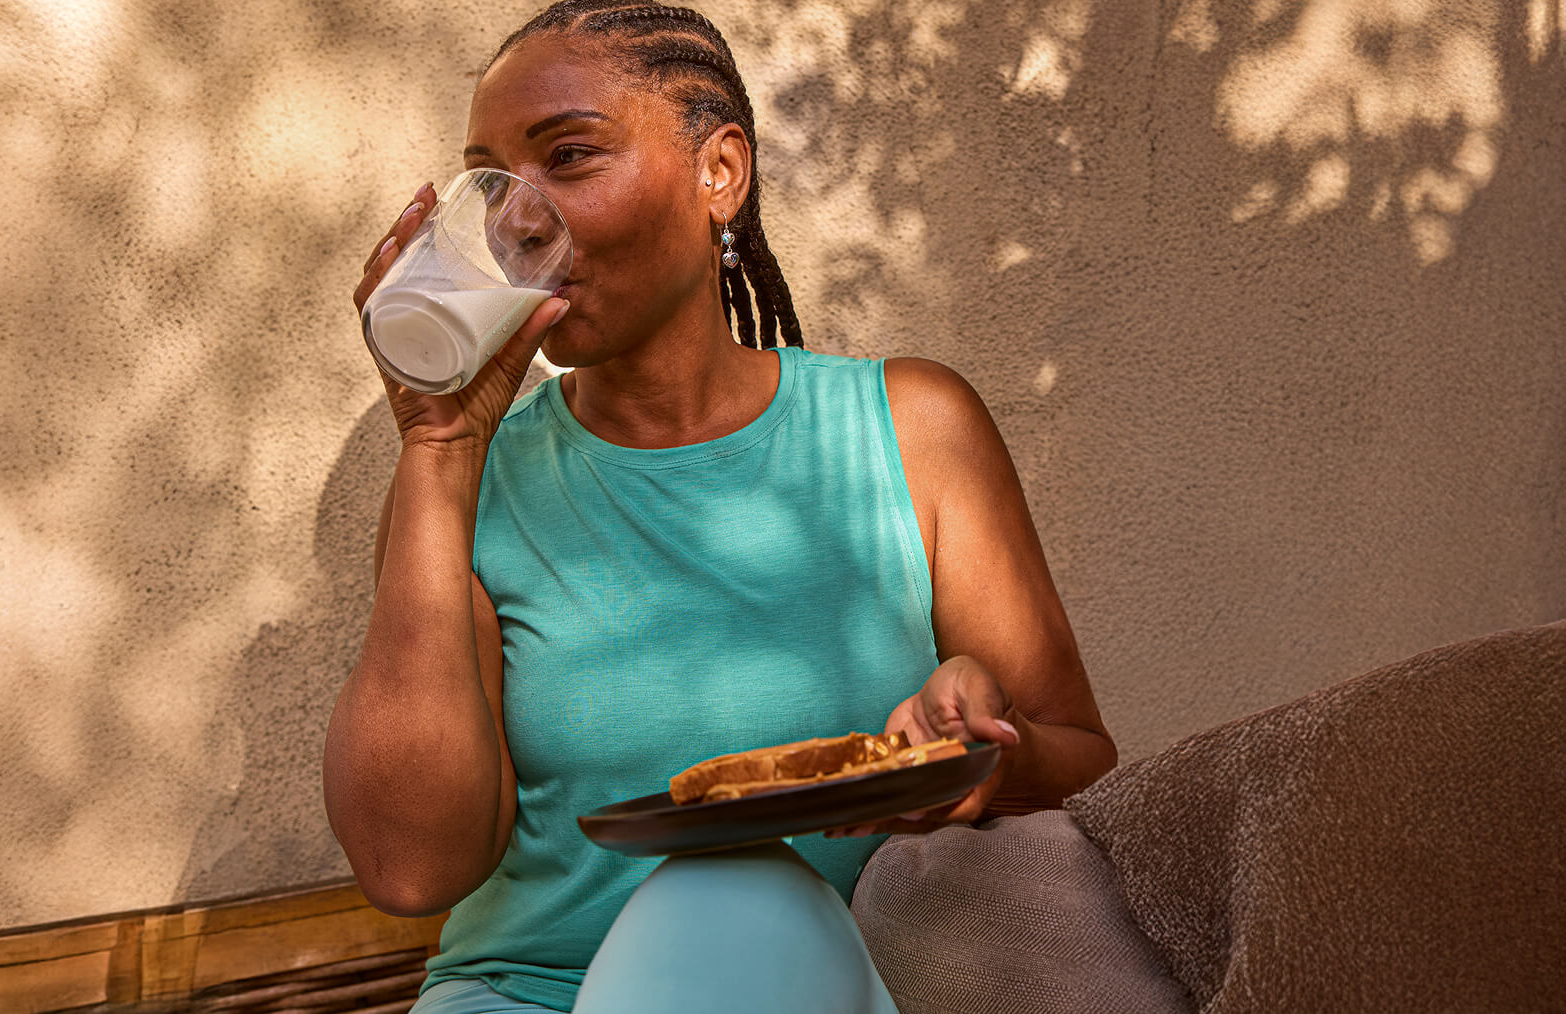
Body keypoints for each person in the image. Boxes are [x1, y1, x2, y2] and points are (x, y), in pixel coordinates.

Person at [322, 2, 1118, 1011]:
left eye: (567, 157)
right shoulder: (467, 479)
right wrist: (438, 449)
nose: (514, 217)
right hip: (529, 995)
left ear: (720, 174)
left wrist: (976, 749)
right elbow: (407, 873)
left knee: (732, 901)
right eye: (489, 176)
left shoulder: (911, 429)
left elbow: (1079, 763)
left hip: (829, 986)